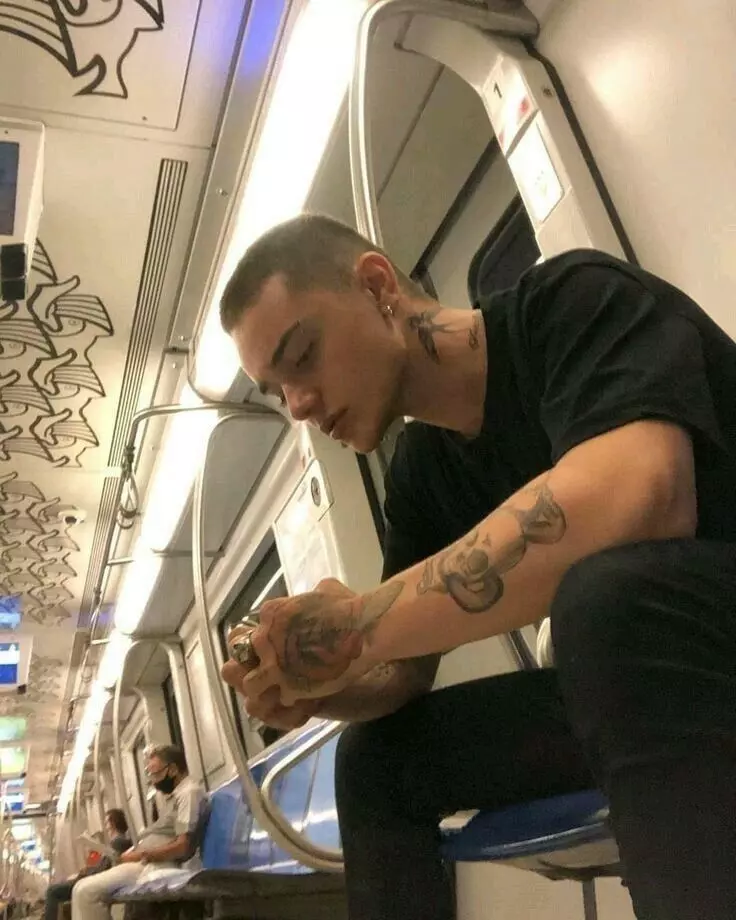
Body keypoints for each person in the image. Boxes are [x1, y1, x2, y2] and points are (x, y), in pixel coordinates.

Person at [218, 214, 736, 920]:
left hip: (701, 632)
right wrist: (320, 682)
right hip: (631, 686)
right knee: (373, 762)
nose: (300, 405)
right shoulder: (421, 472)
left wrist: (354, 625)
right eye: (279, 393)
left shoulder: (571, 301)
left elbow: (641, 498)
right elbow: (403, 674)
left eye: (303, 356)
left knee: (605, 597)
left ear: (377, 286)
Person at [71, 746, 205, 920]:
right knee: (79, 888)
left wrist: (140, 855)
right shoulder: (176, 796)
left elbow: (182, 846)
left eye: (155, 774)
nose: (152, 781)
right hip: (146, 861)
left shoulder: (189, 793)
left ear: (172, 770)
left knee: (87, 892)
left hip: (157, 864)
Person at [44, 811, 131, 920]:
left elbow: (103, 869)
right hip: (95, 876)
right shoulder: (117, 842)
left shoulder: (118, 842)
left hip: (95, 879)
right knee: (58, 887)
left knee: (52, 891)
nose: (106, 827)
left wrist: (84, 874)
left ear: (112, 824)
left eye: (106, 823)